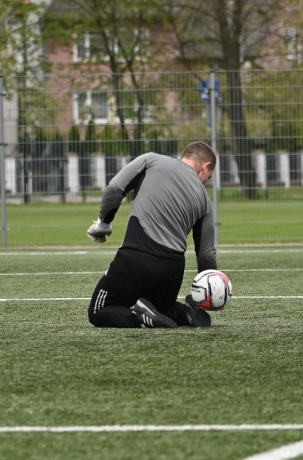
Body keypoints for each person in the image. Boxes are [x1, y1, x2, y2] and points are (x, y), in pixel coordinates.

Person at [86, 141, 218, 329]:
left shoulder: (151, 160)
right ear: (206, 166)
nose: (206, 181)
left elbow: (115, 188)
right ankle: (186, 313)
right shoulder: (205, 201)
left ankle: (140, 318)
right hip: (172, 272)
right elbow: (206, 256)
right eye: (209, 177)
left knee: (98, 311)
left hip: (136, 259)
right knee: (165, 309)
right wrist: (206, 291)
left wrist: (104, 223)